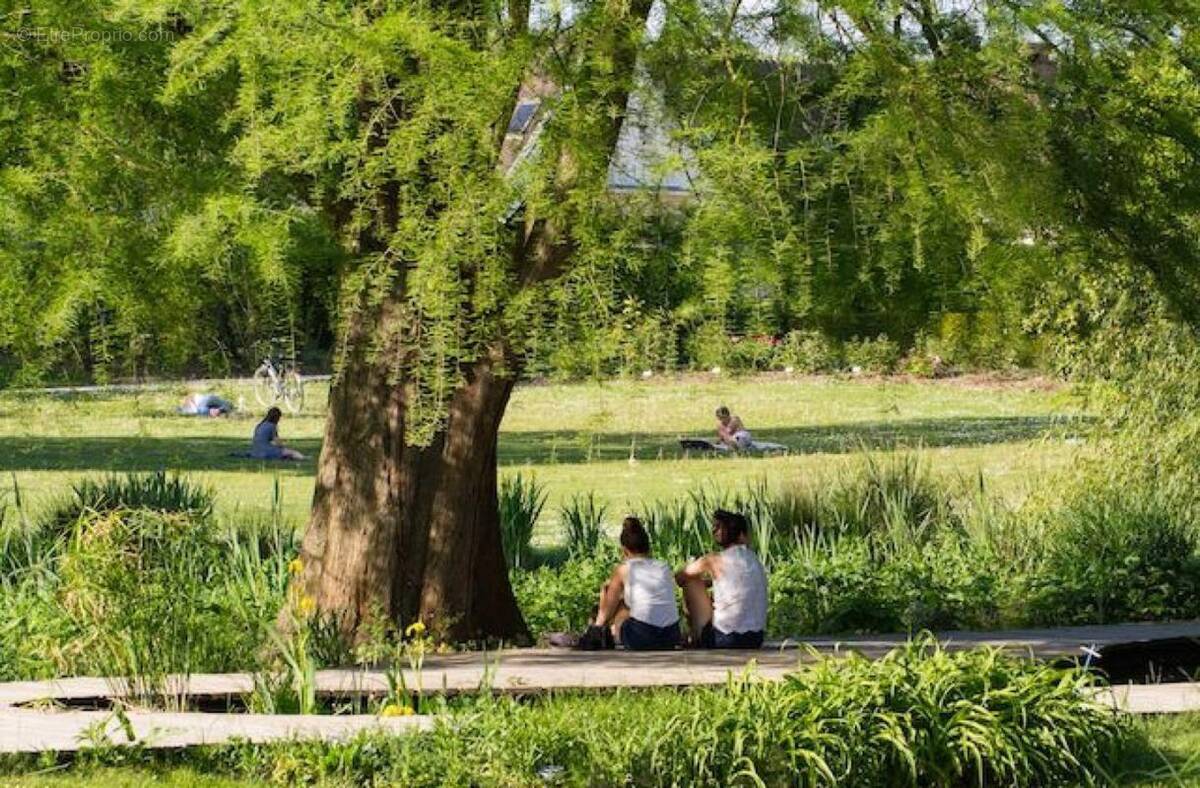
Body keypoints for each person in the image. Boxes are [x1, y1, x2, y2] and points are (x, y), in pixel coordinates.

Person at [579, 517, 681, 651]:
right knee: (631, 604)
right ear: (648, 548)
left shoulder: (624, 569)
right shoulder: (664, 567)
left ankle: (609, 634)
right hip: (671, 636)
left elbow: (608, 607)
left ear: (624, 550)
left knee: (615, 599)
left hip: (641, 637)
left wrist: (596, 627)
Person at [675, 509, 767, 649]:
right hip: (755, 638)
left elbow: (680, 577)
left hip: (725, 638)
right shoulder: (755, 559)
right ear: (743, 536)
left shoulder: (713, 560)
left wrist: (701, 585)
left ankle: (694, 637)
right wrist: (711, 584)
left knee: (691, 582)